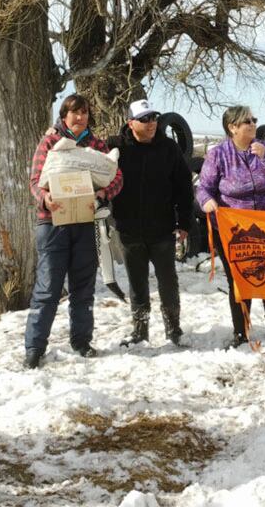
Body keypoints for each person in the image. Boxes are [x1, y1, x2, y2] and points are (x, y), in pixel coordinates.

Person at [24, 94, 123, 369]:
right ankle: (34, 347)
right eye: (74, 113)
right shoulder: (50, 142)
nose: (80, 118)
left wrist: (104, 193)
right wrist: (44, 198)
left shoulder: (97, 145)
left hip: (85, 221)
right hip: (52, 223)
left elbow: (117, 177)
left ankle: (81, 341)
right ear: (64, 115)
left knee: (83, 287)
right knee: (48, 287)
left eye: (84, 113)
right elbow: (35, 180)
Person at [196, 105, 265, 351]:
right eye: (246, 121)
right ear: (232, 127)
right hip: (233, 229)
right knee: (240, 281)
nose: (252, 124)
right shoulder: (218, 154)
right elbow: (204, 187)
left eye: (254, 120)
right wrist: (206, 201)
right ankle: (241, 332)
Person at [109, 99, 194, 346]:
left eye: (154, 117)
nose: (151, 123)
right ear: (130, 122)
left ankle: (173, 329)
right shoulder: (116, 147)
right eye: (145, 119)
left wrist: (185, 222)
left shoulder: (169, 148)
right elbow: (85, 151)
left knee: (168, 281)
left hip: (162, 228)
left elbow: (184, 187)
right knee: (137, 282)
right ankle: (140, 330)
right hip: (129, 228)